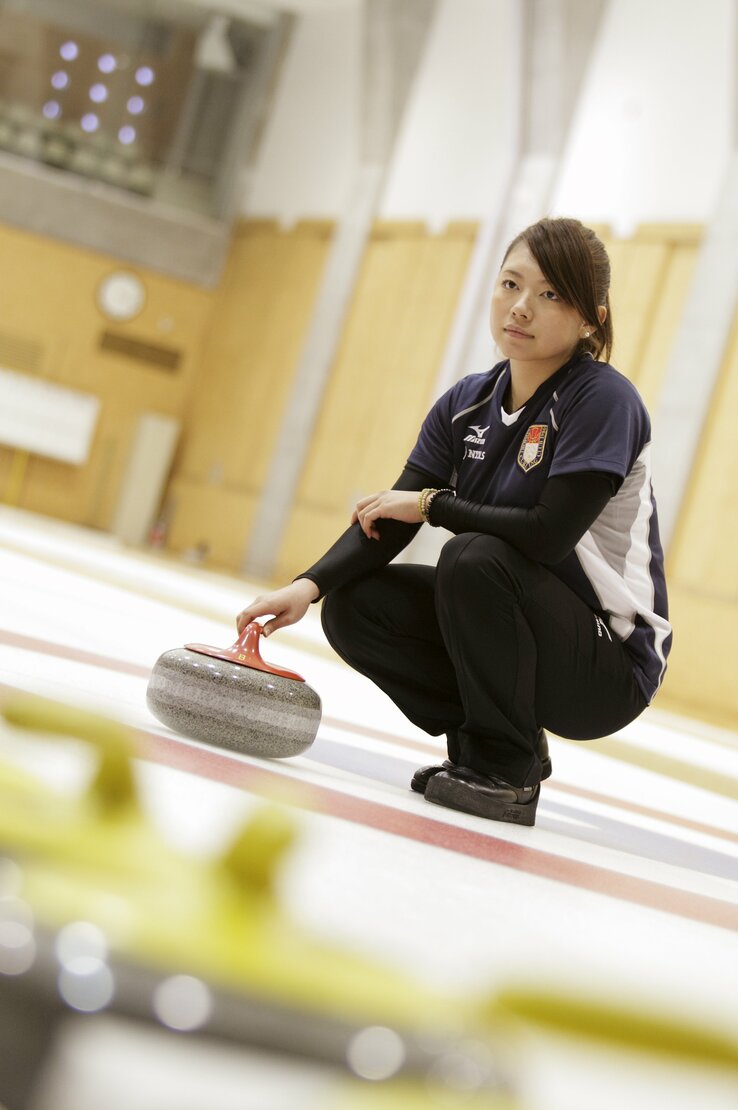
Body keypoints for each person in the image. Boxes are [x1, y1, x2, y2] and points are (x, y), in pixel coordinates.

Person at [236, 217, 672, 827]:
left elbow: (546, 536)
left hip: (608, 664)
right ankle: (489, 747)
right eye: (510, 284)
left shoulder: (603, 399)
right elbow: (390, 517)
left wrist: (431, 506)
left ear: (590, 320)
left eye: (550, 294)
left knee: (472, 557)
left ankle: (507, 772)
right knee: (356, 606)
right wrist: (307, 587)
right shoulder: (467, 402)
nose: (521, 307)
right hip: (520, 624)